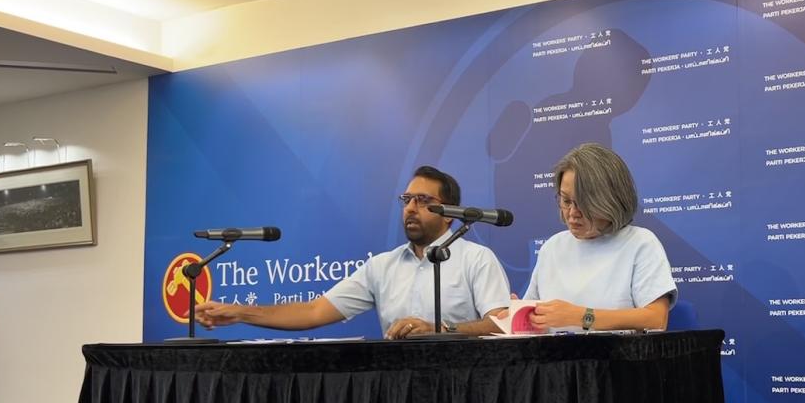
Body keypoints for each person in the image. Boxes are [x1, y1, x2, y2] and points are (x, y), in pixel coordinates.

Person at [195, 165, 509, 339]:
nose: (411, 209)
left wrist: (442, 329)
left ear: (450, 214)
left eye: (424, 201)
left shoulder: (476, 259)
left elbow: (501, 324)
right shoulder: (382, 267)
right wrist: (239, 313)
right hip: (395, 390)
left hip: (460, 389)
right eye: (407, 200)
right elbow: (314, 312)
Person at [524, 143, 676, 332]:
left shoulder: (640, 243)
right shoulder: (553, 247)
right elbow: (534, 315)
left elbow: (655, 319)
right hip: (553, 360)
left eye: (583, 204)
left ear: (610, 201)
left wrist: (580, 316)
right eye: (565, 201)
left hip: (615, 359)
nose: (572, 213)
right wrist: (519, 315)